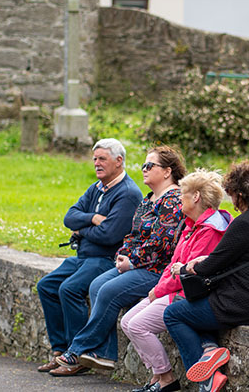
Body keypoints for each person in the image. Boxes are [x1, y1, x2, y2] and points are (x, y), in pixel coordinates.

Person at [52, 146, 186, 376]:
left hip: (157, 270)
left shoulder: (173, 200)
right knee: (96, 285)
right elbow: (132, 234)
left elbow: (161, 243)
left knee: (108, 291)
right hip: (135, 263)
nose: (143, 169)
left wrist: (131, 261)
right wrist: (124, 254)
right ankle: (103, 353)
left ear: (167, 172)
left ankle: (78, 348)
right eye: (143, 165)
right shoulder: (148, 199)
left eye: (149, 165)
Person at [164, 161, 249, 392]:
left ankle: (207, 380)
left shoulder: (246, 223)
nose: (232, 202)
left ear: (241, 195)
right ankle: (210, 350)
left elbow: (210, 267)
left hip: (247, 305)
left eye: (233, 195)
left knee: (174, 313)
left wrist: (187, 267)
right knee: (194, 305)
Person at [36, 138, 143, 375]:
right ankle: (60, 351)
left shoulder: (127, 194)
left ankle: (77, 357)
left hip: (105, 259)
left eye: (102, 158)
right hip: (84, 257)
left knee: (69, 289)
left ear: (119, 161)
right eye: (94, 158)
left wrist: (80, 230)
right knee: (46, 286)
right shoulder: (96, 188)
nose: (96, 163)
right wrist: (93, 219)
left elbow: (109, 235)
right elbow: (69, 216)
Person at [121, 169, 232, 392]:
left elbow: (188, 275)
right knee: (126, 322)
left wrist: (160, 291)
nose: (179, 197)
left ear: (196, 197)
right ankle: (157, 377)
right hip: (169, 290)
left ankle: (166, 379)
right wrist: (158, 288)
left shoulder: (210, 231)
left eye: (182, 193)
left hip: (185, 294)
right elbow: (173, 265)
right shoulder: (190, 225)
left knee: (137, 325)